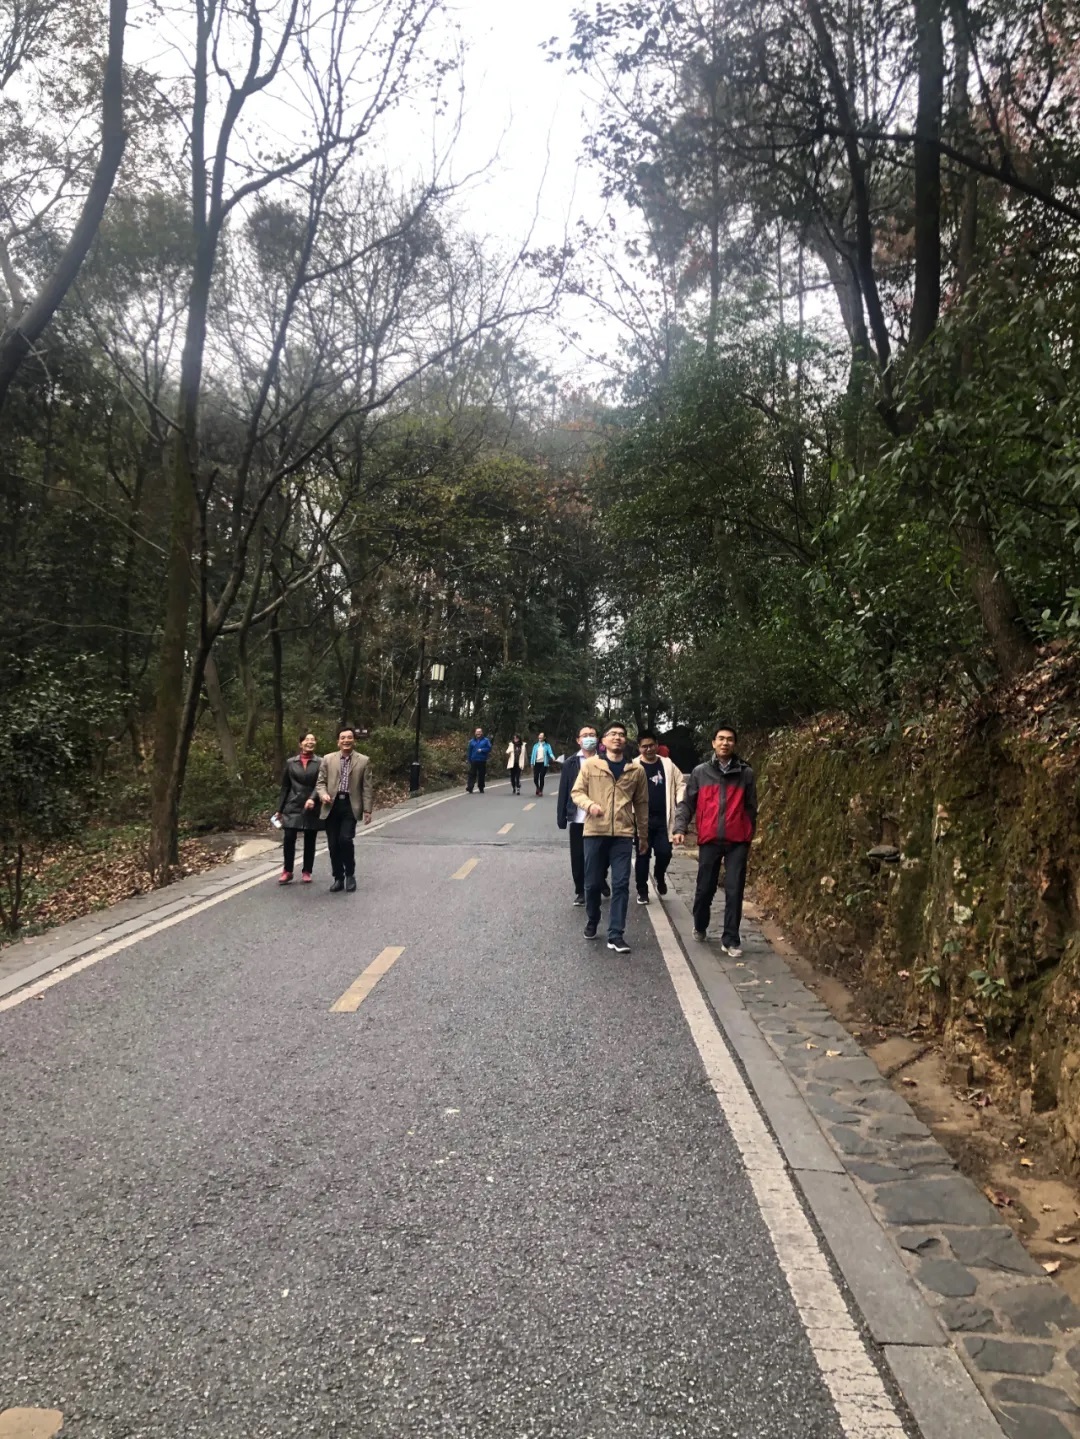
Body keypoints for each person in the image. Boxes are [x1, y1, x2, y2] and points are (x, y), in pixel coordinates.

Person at [673, 723, 757, 955]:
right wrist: (680, 828)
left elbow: (751, 807)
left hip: (737, 841)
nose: (725, 743)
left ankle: (731, 939)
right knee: (705, 889)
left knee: (734, 890)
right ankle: (700, 924)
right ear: (713, 743)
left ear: (734, 744)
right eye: (721, 738)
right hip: (710, 839)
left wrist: (747, 834)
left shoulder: (745, 774)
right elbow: (687, 803)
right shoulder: (701, 772)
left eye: (729, 739)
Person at [571, 722, 649, 954]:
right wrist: (590, 805)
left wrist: (643, 836)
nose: (617, 737)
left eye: (622, 735)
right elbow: (577, 792)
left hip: (622, 835)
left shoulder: (636, 771)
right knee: (593, 883)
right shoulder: (591, 765)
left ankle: (616, 934)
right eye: (613, 734)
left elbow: (641, 804)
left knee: (621, 884)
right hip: (595, 832)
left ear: (626, 741)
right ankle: (593, 918)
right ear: (603, 741)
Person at [315, 727, 373, 892]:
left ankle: (350, 875)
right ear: (338, 742)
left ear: (354, 740)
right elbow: (320, 782)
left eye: (349, 737)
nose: (346, 740)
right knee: (333, 844)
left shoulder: (363, 760)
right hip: (331, 805)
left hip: (350, 805)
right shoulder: (328, 759)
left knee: (345, 840)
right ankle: (338, 877)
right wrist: (323, 794)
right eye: (343, 738)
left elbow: (367, 787)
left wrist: (367, 810)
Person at [631, 730, 686, 903]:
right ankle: (642, 890)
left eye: (651, 745)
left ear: (657, 745)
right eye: (644, 746)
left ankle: (659, 875)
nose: (648, 749)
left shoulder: (667, 764)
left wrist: (680, 801)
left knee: (665, 853)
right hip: (642, 821)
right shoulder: (633, 766)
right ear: (639, 748)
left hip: (664, 819)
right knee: (642, 856)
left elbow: (680, 784)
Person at [274, 731, 322, 884]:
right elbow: (285, 787)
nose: (310, 742)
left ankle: (307, 870)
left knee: (310, 839)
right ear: (300, 744)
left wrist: (313, 798)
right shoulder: (290, 763)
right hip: (292, 805)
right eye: (307, 740)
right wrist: (279, 809)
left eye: (313, 740)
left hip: (312, 805)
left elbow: (321, 783)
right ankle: (287, 870)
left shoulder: (321, 762)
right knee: (289, 837)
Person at [466, 727, 492, 793]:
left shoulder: (486, 740)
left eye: (479, 732)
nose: (478, 733)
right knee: (472, 774)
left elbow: (489, 748)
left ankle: (481, 787)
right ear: (475, 733)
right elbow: (469, 751)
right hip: (474, 760)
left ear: (482, 733)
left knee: (481, 774)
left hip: (482, 760)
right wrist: (469, 759)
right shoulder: (472, 741)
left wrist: (482, 750)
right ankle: (470, 787)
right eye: (477, 732)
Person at [531, 731, 555, 795]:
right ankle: (537, 787)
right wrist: (532, 763)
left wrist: (552, 757)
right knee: (535, 778)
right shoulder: (535, 746)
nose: (540, 737)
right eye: (540, 735)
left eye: (542, 736)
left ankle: (540, 791)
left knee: (541, 776)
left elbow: (550, 752)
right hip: (536, 763)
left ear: (544, 737)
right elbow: (533, 755)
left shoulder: (547, 745)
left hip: (544, 763)